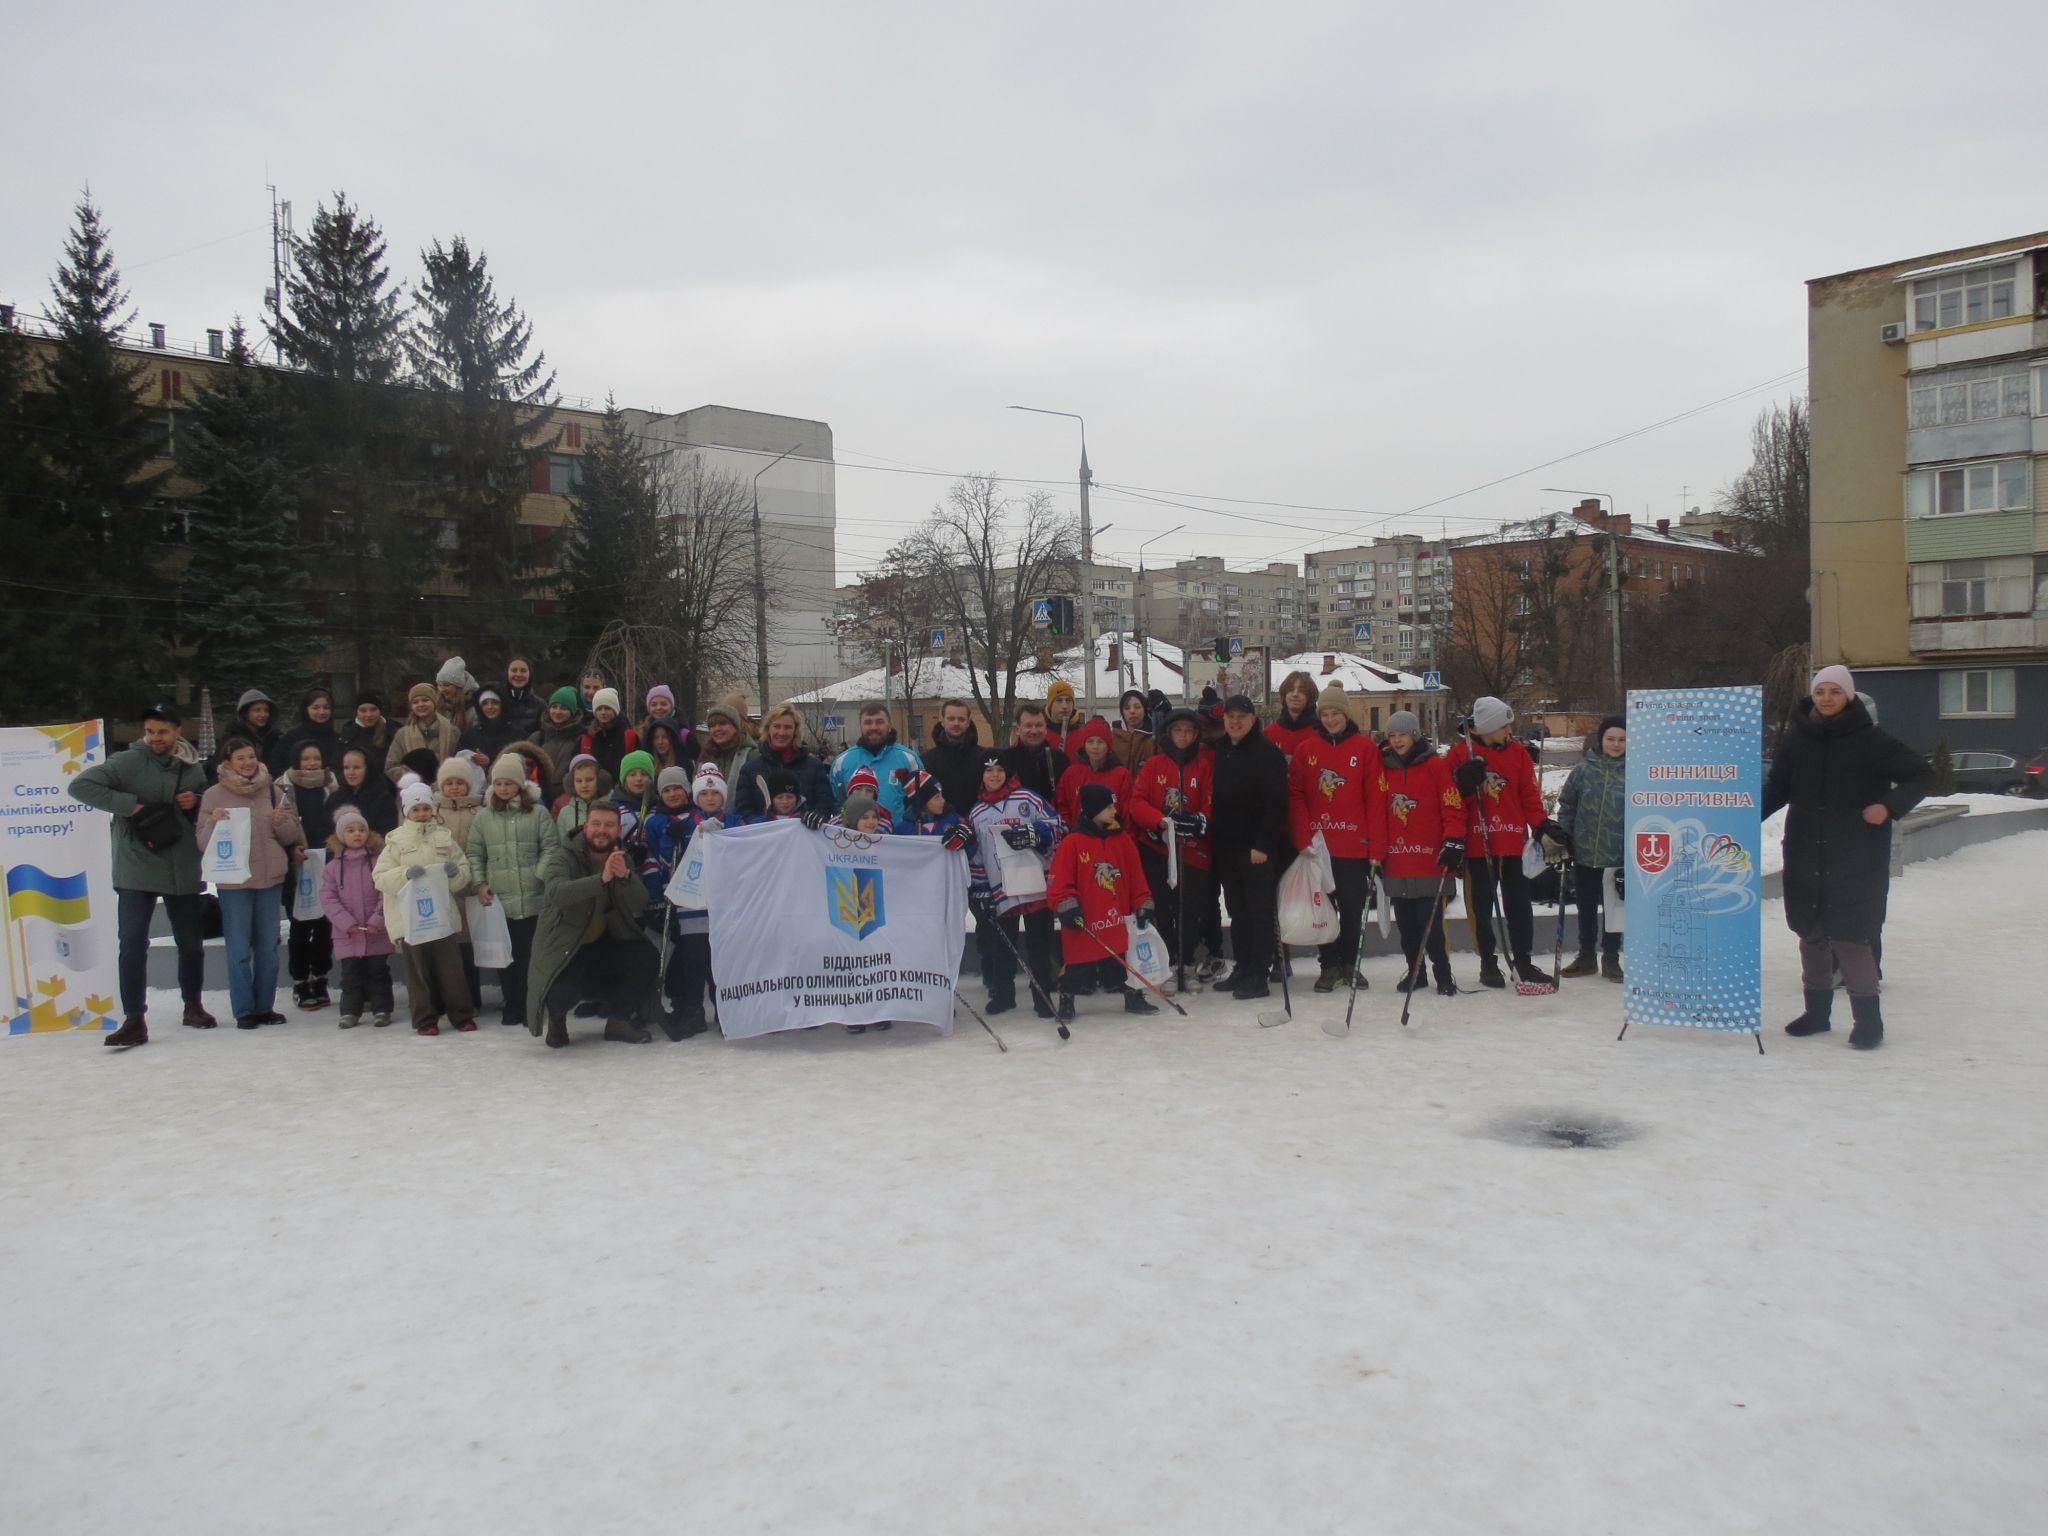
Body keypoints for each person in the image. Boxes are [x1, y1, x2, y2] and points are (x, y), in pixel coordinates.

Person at [1763, 665, 1929, 1050]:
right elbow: (1777, 789)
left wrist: (1888, 806)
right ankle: (1817, 1014)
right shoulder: (1798, 739)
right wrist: (1738, 820)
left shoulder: (1871, 740)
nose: (1826, 698)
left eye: (1835, 692)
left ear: (1849, 696)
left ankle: (1868, 1022)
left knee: (1851, 936)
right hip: (1805, 848)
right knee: (1811, 932)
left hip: (1855, 853)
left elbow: (1921, 774)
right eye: (1820, 691)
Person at [67, 702, 212, 1047]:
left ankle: (193, 1005)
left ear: (178, 732)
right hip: (136, 863)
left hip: (181, 861)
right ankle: (134, 1018)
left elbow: (207, 809)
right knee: (132, 943)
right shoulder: (127, 761)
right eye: (150, 731)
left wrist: (196, 801)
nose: (155, 737)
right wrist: (130, 806)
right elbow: (81, 786)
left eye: (163, 731)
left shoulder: (192, 766)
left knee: (191, 943)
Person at [1447, 695, 1563, 989]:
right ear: (1487, 727)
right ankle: (1488, 962)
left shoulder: (1517, 753)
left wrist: (1542, 825)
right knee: (1481, 908)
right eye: (1504, 727)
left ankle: (1523, 961)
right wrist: (1462, 784)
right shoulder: (1461, 754)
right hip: (1479, 845)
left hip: (1513, 844)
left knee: (1520, 906)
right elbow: (1450, 801)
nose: (1509, 731)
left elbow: (1529, 795)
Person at [527, 800, 660, 1048]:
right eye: (596, 824)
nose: (602, 830)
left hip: (602, 945)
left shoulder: (620, 857)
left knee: (647, 956)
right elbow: (556, 893)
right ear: (585, 826)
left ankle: (618, 1021)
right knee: (561, 989)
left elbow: (639, 901)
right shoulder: (563, 856)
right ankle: (557, 1020)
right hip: (565, 948)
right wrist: (602, 878)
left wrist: (625, 876)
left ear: (618, 830)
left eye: (609, 825)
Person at [196, 735, 305, 1029]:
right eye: (240, 758)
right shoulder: (213, 796)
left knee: (268, 948)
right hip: (235, 883)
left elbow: (291, 836)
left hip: (270, 879)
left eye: (251, 756)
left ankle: (264, 1007)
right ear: (227, 763)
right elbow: (203, 843)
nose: (247, 763)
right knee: (239, 949)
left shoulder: (273, 790)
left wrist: (281, 821)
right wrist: (213, 822)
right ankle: (244, 1010)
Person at [1287, 681, 1379, 992]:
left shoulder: (1365, 749)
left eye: (1335, 713)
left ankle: (1350, 963)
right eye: (1324, 714)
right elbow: (1296, 795)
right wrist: (1303, 838)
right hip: (1318, 848)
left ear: (1345, 714)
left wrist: (1376, 846)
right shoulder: (1307, 749)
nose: (1330, 719)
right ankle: (1328, 965)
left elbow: (1375, 799)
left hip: (1353, 848)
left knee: (1352, 910)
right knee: (1323, 911)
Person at [1369, 711, 1464, 996]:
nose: (1397, 740)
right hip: (1397, 860)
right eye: (1392, 736)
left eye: (1403, 735)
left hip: (1429, 860)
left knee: (1430, 926)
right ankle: (1415, 971)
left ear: (1415, 735)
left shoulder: (1435, 766)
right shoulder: (1384, 768)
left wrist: (1453, 840)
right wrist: (1376, 850)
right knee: (1407, 927)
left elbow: (1452, 806)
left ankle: (1443, 973)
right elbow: (1378, 813)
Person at [1127, 707, 1224, 985]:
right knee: (1163, 908)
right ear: (1168, 733)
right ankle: (1168, 961)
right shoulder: (1153, 765)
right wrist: (1158, 821)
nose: (1183, 736)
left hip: (1192, 851)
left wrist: (1199, 820)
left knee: (1192, 909)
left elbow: (1211, 803)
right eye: (1178, 730)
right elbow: (1137, 801)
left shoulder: (1204, 766)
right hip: (1158, 850)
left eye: (1189, 731)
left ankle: (1188, 961)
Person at [1048, 782, 1158, 1022]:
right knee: (1077, 964)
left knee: (1126, 960)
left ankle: (1133, 996)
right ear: (1092, 810)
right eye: (1108, 807)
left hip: (1118, 916)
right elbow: (1059, 881)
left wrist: (1143, 902)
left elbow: (1136, 877)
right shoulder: (1072, 843)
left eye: (1113, 806)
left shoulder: (1123, 840)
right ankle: (1067, 999)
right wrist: (1067, 906)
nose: (1114, 811)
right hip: (1086, 918)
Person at [373, 777, 476, 1036]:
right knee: (418, 972)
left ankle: (461, 1014)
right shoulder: (396, 841)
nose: (421, 814)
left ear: (433, 809)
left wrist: (454, 874)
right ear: (407, 811)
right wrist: (405, 874)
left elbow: (463, 869)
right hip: (410, 919)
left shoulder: (444, 838)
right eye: (416, 809)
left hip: (441, 916)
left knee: (451, 969)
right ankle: (425, 1019)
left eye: (426, 808)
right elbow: (380, 877)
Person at [466, 752, 561, 1029]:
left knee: (530, 954)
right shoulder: (484, 817)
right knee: (504, 957)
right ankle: (512, 1003)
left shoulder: (538, 813)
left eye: (509, 783)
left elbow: (551, 848)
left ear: (520, 784)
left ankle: (532, 1003)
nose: (503, 788)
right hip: (500, 900)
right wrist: (480, 883)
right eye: (498, 783)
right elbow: (475, 853)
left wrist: (538, 875)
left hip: (533, 899)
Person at [965, 754, 1061, 1017]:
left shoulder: (1027, 798)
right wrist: (981, 888)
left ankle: (1042, 996)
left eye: (999, 770)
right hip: (1001, 889)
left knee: (1039, 944)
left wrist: (1037, 834)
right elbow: (977, 854)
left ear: (1008, 773)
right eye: (988, 771)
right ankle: (1003, 995)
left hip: (1034, 883)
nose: (994, 776)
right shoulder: (977, 813)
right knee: (1002, 945)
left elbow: (1056, 825)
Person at [1209, 695, 1287, 1000]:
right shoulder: (1222, 750)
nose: (1235, 722)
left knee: (1258, 912)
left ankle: (1258, 973)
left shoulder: (1267, 753)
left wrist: (1264, 843)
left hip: (1256, 849)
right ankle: (1242, 966)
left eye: (1241, 716)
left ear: (1252, 720)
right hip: (1228, 847)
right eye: (1230, 716)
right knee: (1237, 911)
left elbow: (1276, 804)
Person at [1557, 714, 1627, 981]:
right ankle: (1586, 956)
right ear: (1601, 740)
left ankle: (1611, 958)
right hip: (1585, 852)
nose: (1616, 744)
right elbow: (1568, 805)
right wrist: (1564, 836)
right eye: (1611, 739)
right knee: (1586, 907)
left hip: (1617, 855)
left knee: (1614, 909)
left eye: (1622, 740)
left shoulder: (1635, 773)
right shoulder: (1584, 771)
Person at [319, 806, 395, 1028]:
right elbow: (328, 898)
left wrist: (377, 920)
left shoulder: (379, 861)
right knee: (350, 975)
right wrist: (346, 923)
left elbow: (386, 892)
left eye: (361, 829)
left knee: (378, 972)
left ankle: (382, 1009)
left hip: (376, 932)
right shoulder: (333, 867)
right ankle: (350, 1011)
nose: (357, 834)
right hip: (347, 934)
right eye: (350, 830)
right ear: (341, 835)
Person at [281, 739, 338, 1010]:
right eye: (306, 759)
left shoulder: (333, 785)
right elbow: (276, 826)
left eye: (316, 758)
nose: (312, 763)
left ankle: (321, 977)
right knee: (301, 925)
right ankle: (301, 980)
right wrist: (291, 848)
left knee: (326, 924)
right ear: (296, 761)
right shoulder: (282, 788)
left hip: (328, 861)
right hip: (298, 864)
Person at [732, 702, 830, 819]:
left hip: (804, 830)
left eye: (787, 727)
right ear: (768, 729)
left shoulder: (814, 767)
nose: (782, 732)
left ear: (795, 731)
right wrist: (758, 822)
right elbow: (743, 810)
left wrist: (816, 816)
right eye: (776, 726)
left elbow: (826, 804)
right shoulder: (750, 769)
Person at [830, 701, 922, 821]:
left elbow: (921, 802)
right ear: (860, 726)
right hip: (854, 833)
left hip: (898, 832)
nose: (873, 727)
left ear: (890, 725)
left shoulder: (909, 759)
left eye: (879, 722)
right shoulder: (841, 762)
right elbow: (836, 804)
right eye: (868, 722)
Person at [1054, 717, 1132, 828]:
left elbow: (1127, 813)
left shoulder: (1122, 775)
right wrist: (1068, 827)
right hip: (1077, 835)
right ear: (1084, 745)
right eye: (1090, 742)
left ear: (1108, 745)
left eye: (1100, 742)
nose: (1095, 747)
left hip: (1110, 836)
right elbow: (1061, 805)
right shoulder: (1071, 773)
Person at [385, 683, 460, 783]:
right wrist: (412, 775)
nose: (421, 704)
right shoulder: (402, 734)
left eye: (425, 700)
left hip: (447, 787)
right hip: (414, 788)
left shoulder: (452, 732)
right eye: (415, 702)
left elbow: (460, 763)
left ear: (434, 702)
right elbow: (390, 767)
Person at [923, 698, 985, 815]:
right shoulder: (927, 760)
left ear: (968, 723)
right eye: (951, 719)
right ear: (942, 721)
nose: (956, 723)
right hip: (940, 823)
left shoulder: (983, 757)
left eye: (961, 719)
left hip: (977, 821)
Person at [1002, 702, 1069, 806]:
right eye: (1028, 725)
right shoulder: (1005, 760)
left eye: (1039, 725)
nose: (1034, 731)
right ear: (1017, 730)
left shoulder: (1060, 761)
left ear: (1045, 729)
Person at [327, 744, 398, 835]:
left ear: (368, 769)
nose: (351, 772)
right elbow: (325, 828)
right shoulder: (335, 798)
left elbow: (387, 832)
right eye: (346, 768)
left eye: (356, 767)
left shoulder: (383, 799)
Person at [276, 688, 341, 779]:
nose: (321, 712)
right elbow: (276, 768)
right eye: (315, 708)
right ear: (306, 709)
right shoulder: (291, 738)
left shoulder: (338, 739)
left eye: (326, 708)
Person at [895, 770, 971, 847]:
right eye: (937, 797)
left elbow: (972, 849)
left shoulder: (953, 819)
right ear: (921, 802)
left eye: (941, 794)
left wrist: (967, 840)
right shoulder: (903, 830)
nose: (943, 800)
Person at [530, 686, 586, 785]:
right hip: (538, 791)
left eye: (563, 708)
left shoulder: (581, 739)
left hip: (568, 792)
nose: (558, 712)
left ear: (572, 712)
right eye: (554, 707)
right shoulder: (538, 737)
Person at [580, 687, 638, 779]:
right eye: (599, 709)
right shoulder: (588, 736)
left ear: (615, 710)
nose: (603, 712)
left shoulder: (627, 735)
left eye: (607, 708)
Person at [457, 685, 523, 765]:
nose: (490, 707)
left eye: (495, 702)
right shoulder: (469, 736)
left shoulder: (517, 734)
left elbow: (521, 762)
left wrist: (490, 761)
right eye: (485, 703)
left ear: (502, 705)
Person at [1265, 671, 1321, 760]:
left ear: (1310, 696)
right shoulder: (1270, 733)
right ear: (1284, 695)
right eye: (1291, 690)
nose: (1295, 694)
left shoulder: (1321, 733)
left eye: (1301, 691)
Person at [553, 754, 611, 836]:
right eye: (579, 781)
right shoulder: (564, 813)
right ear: (571, 783)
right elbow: (562, 842)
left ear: (600, 779)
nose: (584, 785)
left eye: (589, 780)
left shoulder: (612, 806)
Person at [698, 700, 756, 782]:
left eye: (722, 724)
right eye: (712, 726)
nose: (717, 729)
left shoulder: (751, 755)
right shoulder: (706, 755)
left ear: (735, 727)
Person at [234, 688, 284, 775]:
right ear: (245, 713)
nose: (263, 714)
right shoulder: (233, 737)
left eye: (266, 710)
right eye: (257, 710)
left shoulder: (276, 737)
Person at [336, 692, 393, 761]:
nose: (368, 715)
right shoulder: (348, 733)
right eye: (363, 710)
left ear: (380, 711)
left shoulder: (392, 730)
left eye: (373, 709)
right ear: (356, 712)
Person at [1110, 688, 1155, 771]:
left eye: (1137, 707)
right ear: (1122, 712)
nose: (1132, 711)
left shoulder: (1153, 739)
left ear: (1145, 710)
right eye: (1127, 708)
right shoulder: (1112, 738)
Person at [610, 749, 657, 826]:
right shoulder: (613, 808)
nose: (639, 778)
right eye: (632, 775)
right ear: (624, 780)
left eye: (644, 774)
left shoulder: (659, 807)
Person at [500, 655, 544, 737]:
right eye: (514, 670)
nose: (518, 674)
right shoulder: (497, 700)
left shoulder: (539, 705)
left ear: (530, 674)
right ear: (507, 673)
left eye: (523, 671)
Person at [644, 719, 696, 784]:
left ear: (673, 739)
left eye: (664, 737)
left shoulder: (685, 765)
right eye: (656, 738)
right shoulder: (650, 765)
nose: (660, 742)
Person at [435, 656, 479, 732]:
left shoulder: (475, 709)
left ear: (458, 686)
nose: (442, 689)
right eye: (439, 685)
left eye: (446, 685)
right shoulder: (438, 705)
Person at [1042, 679, 1079, 753]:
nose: (1064, 706)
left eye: (1068, 700)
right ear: (1050, 705)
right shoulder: (1038, 733)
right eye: (1059, 700)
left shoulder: (1085, 736)